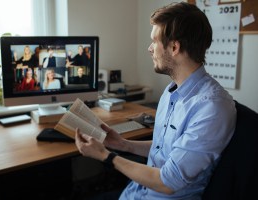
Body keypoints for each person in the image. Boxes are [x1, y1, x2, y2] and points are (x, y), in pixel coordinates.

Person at [75, 2, 237, 200]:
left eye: (154, 41)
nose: (149, 48)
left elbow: (169, 182)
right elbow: (166, 149)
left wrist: (105, 156)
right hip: (137, 191)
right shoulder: (171, 91)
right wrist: (123, 144)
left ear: (174, 47)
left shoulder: (212, 108)